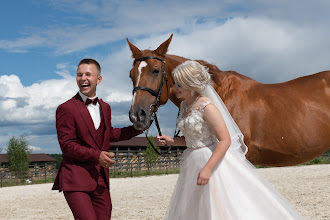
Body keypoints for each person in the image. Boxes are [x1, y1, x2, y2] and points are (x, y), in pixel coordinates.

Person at [157, 60, 304, 220]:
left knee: (219, 206)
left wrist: (207, 169)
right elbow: (194, 139)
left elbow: (225, 140)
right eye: (175, 84)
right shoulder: (185, 106)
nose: (174, 89)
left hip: (210, 161)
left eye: (179, 84)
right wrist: (172, 141)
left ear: (191, 85)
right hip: (192, 162)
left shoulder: (207, 107)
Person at [52, 58, 141, 220]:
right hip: (75, 179)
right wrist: (96, 156)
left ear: (98, 79)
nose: (83, 78)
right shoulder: (66, 108)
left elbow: (109, 135)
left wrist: (138, 129)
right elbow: (67, 145)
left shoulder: (105, 107)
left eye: (88, 74)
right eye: (79, 75)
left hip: (100, 180)